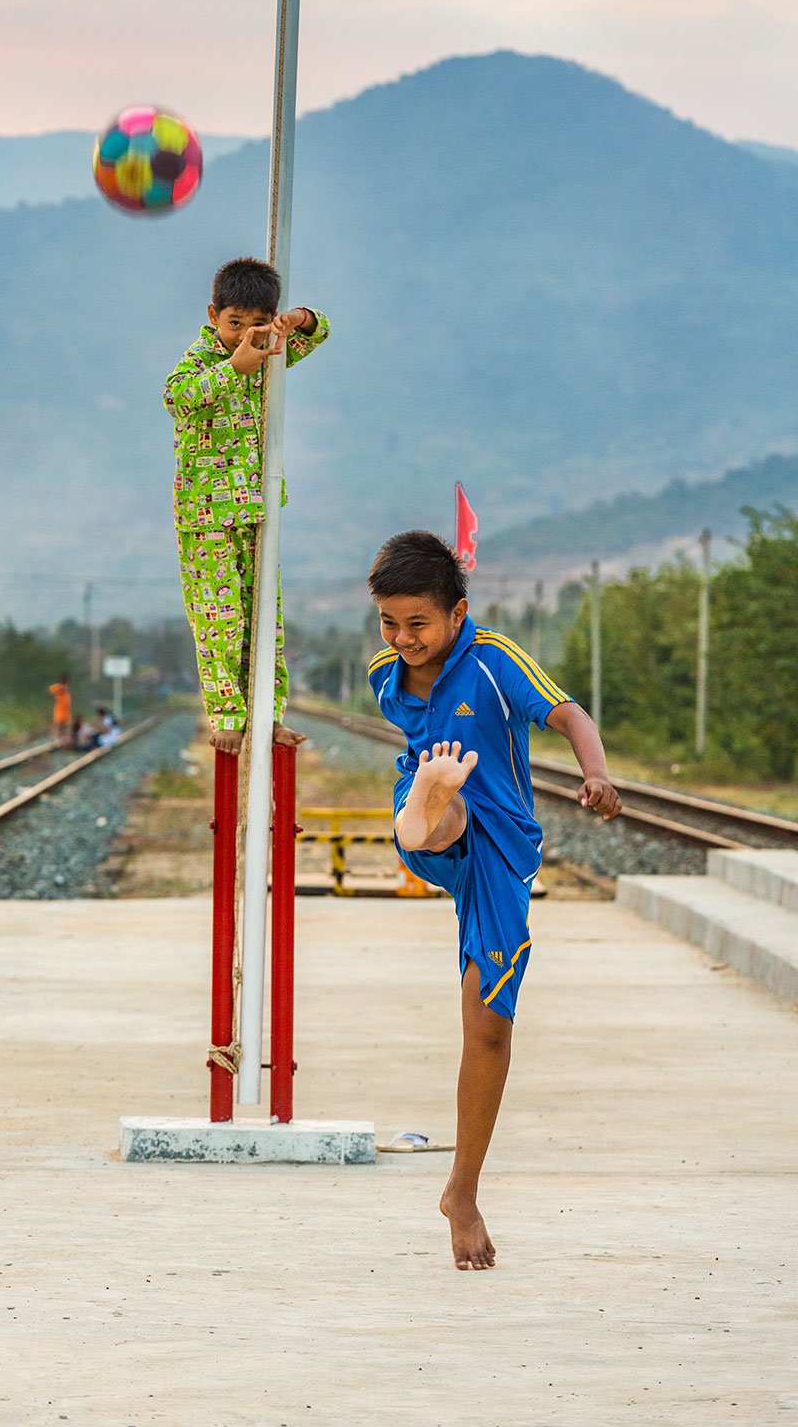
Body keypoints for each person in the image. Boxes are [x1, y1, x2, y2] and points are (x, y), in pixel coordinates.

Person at [366, 532, 620, 1271]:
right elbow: (396, 666)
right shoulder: (387, 675)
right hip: (442, 831)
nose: (403, 639)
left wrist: (596, 774)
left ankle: (461, 1191)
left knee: (490, 1029)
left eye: (418, 624)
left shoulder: (496, 658)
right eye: (390, 623)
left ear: (457, 614)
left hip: (504, 853)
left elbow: (570, 714)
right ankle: (429, 801)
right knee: (445, 809)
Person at [164, 255, 329, 754]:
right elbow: (176, 397)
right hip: (206, 516)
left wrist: (296, 320)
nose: (244, 335)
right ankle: (227, 714)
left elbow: (317, 333)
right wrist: (235, 368)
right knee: (220, 620)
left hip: (258, 512)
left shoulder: (269, 349)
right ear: (214, 315)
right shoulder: (201, 359)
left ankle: (268, 715)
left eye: (256, 323)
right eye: (234, 323)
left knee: (263, 621)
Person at [48, 675, 72, 748]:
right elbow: (51, 691)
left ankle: (61, 740)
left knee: (63, 726)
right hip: (60, 710)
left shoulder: (65, 687)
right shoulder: (60, 687)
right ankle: (55, 739)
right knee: (58, 724)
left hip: (65, 710)